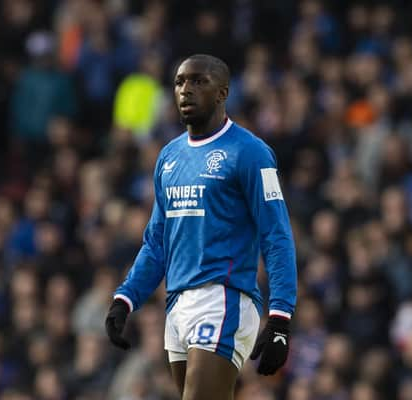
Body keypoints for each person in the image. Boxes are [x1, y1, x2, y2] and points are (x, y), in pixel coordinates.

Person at [104, 54, 297, 399]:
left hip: (223, 298)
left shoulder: (250, 152)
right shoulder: (169, 157)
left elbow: (276, 234)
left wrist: (280, 316)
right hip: (177, 304)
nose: (186, 90)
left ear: (222, 93)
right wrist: (126, 298)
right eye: (179, 82)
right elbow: (157, 241)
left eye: (198, 81)